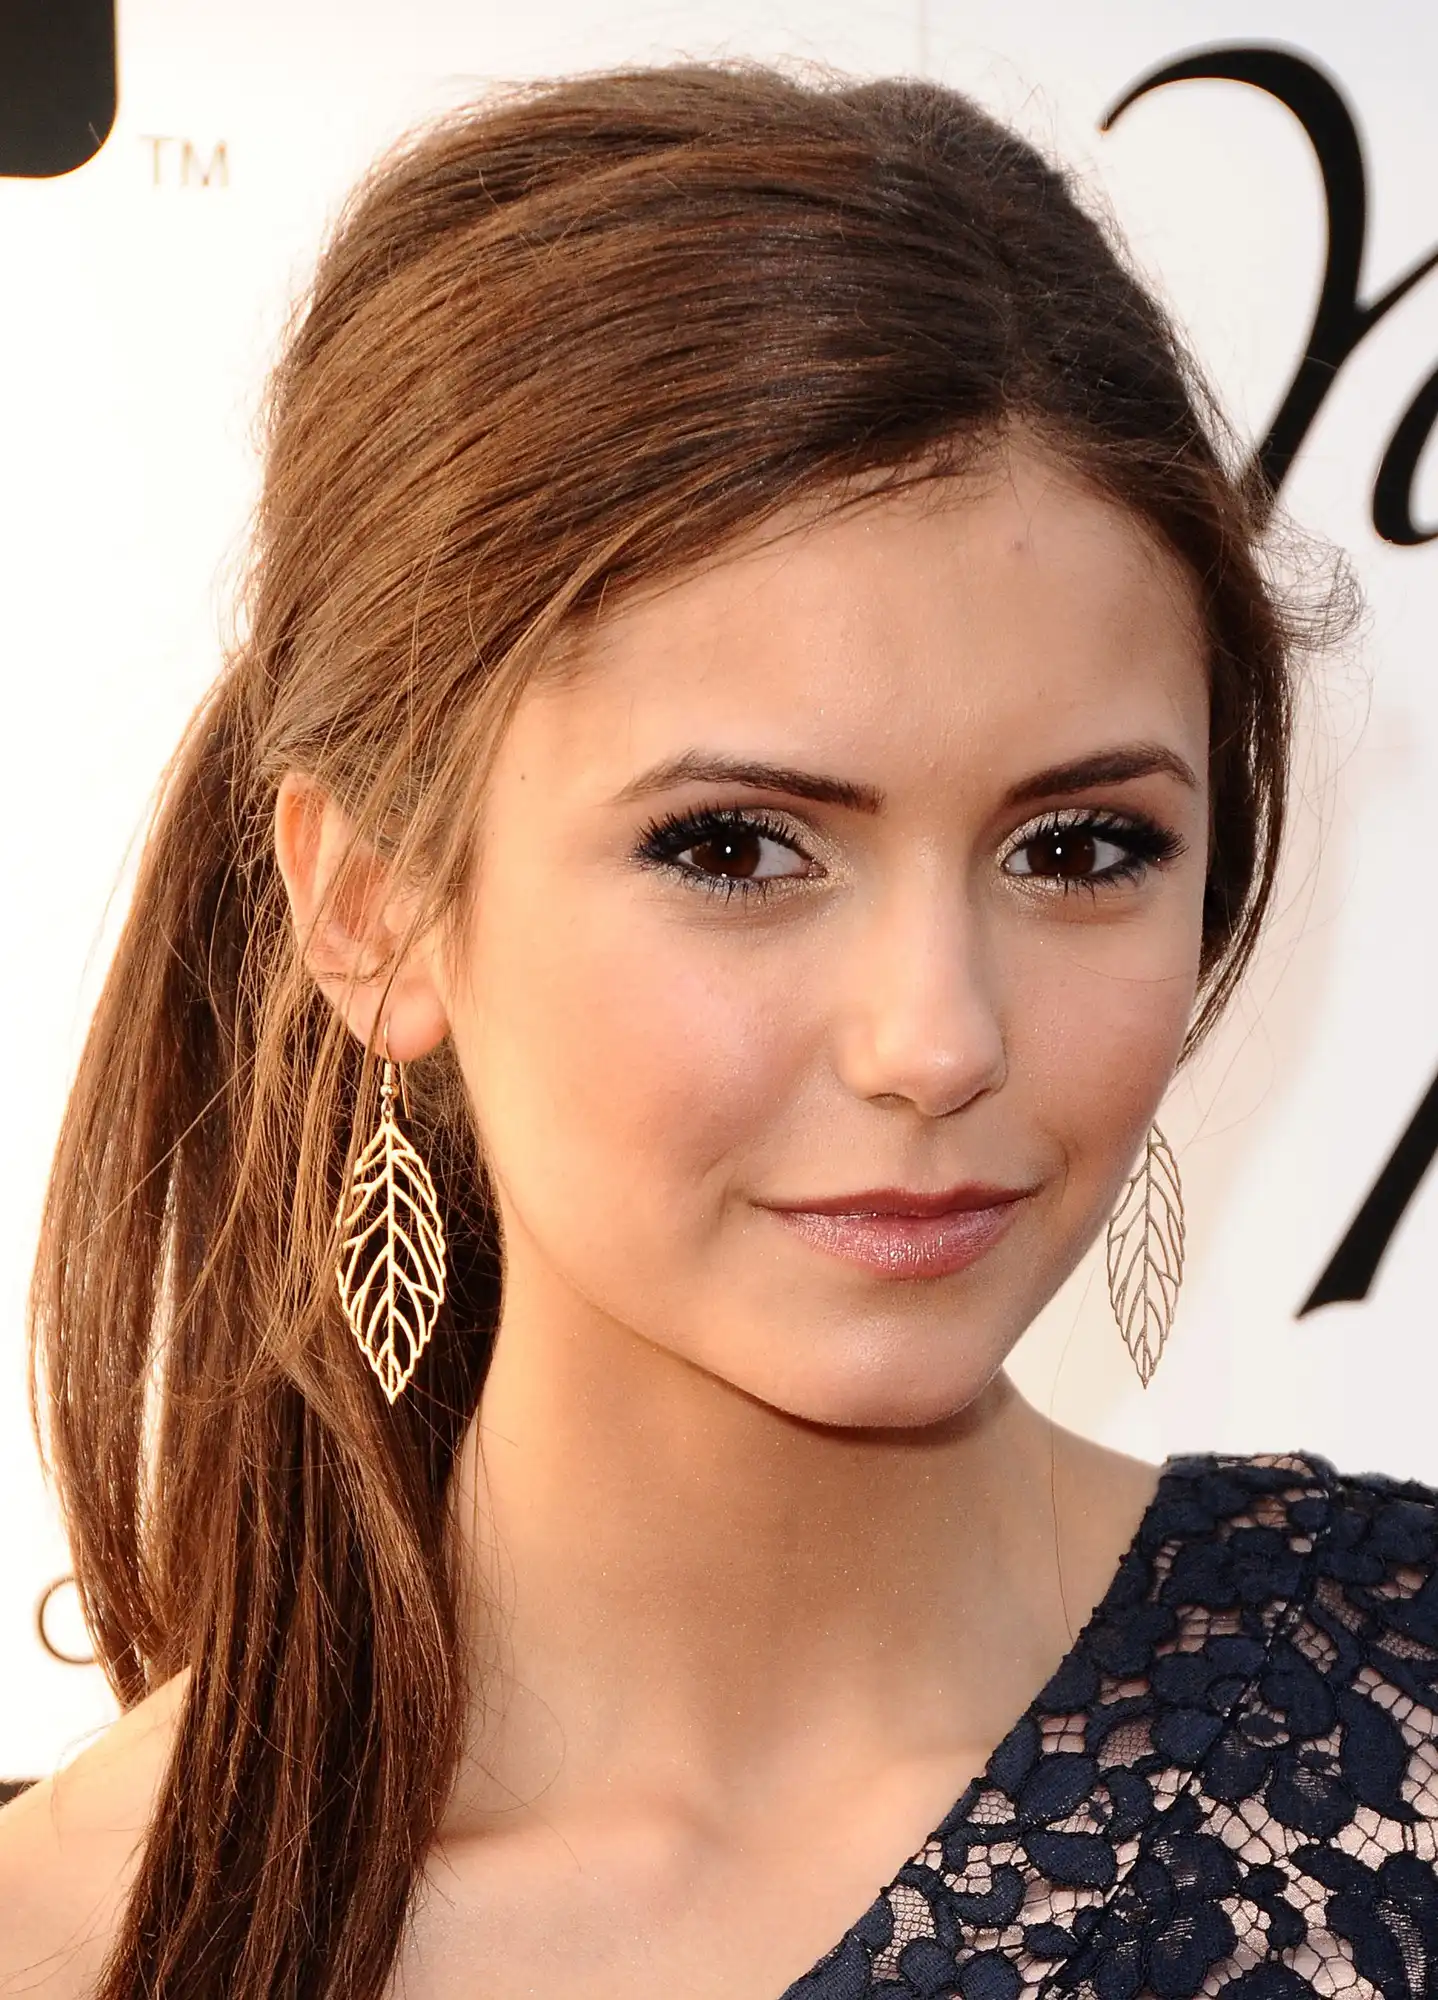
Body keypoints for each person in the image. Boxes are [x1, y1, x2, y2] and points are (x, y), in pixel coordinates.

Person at [2, 56, 1435, 2000]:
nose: (934, 1039)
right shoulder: (70, 1939)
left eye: (1078, 846)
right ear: (369, 905)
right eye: (736, 847)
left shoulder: (1395, 1717)